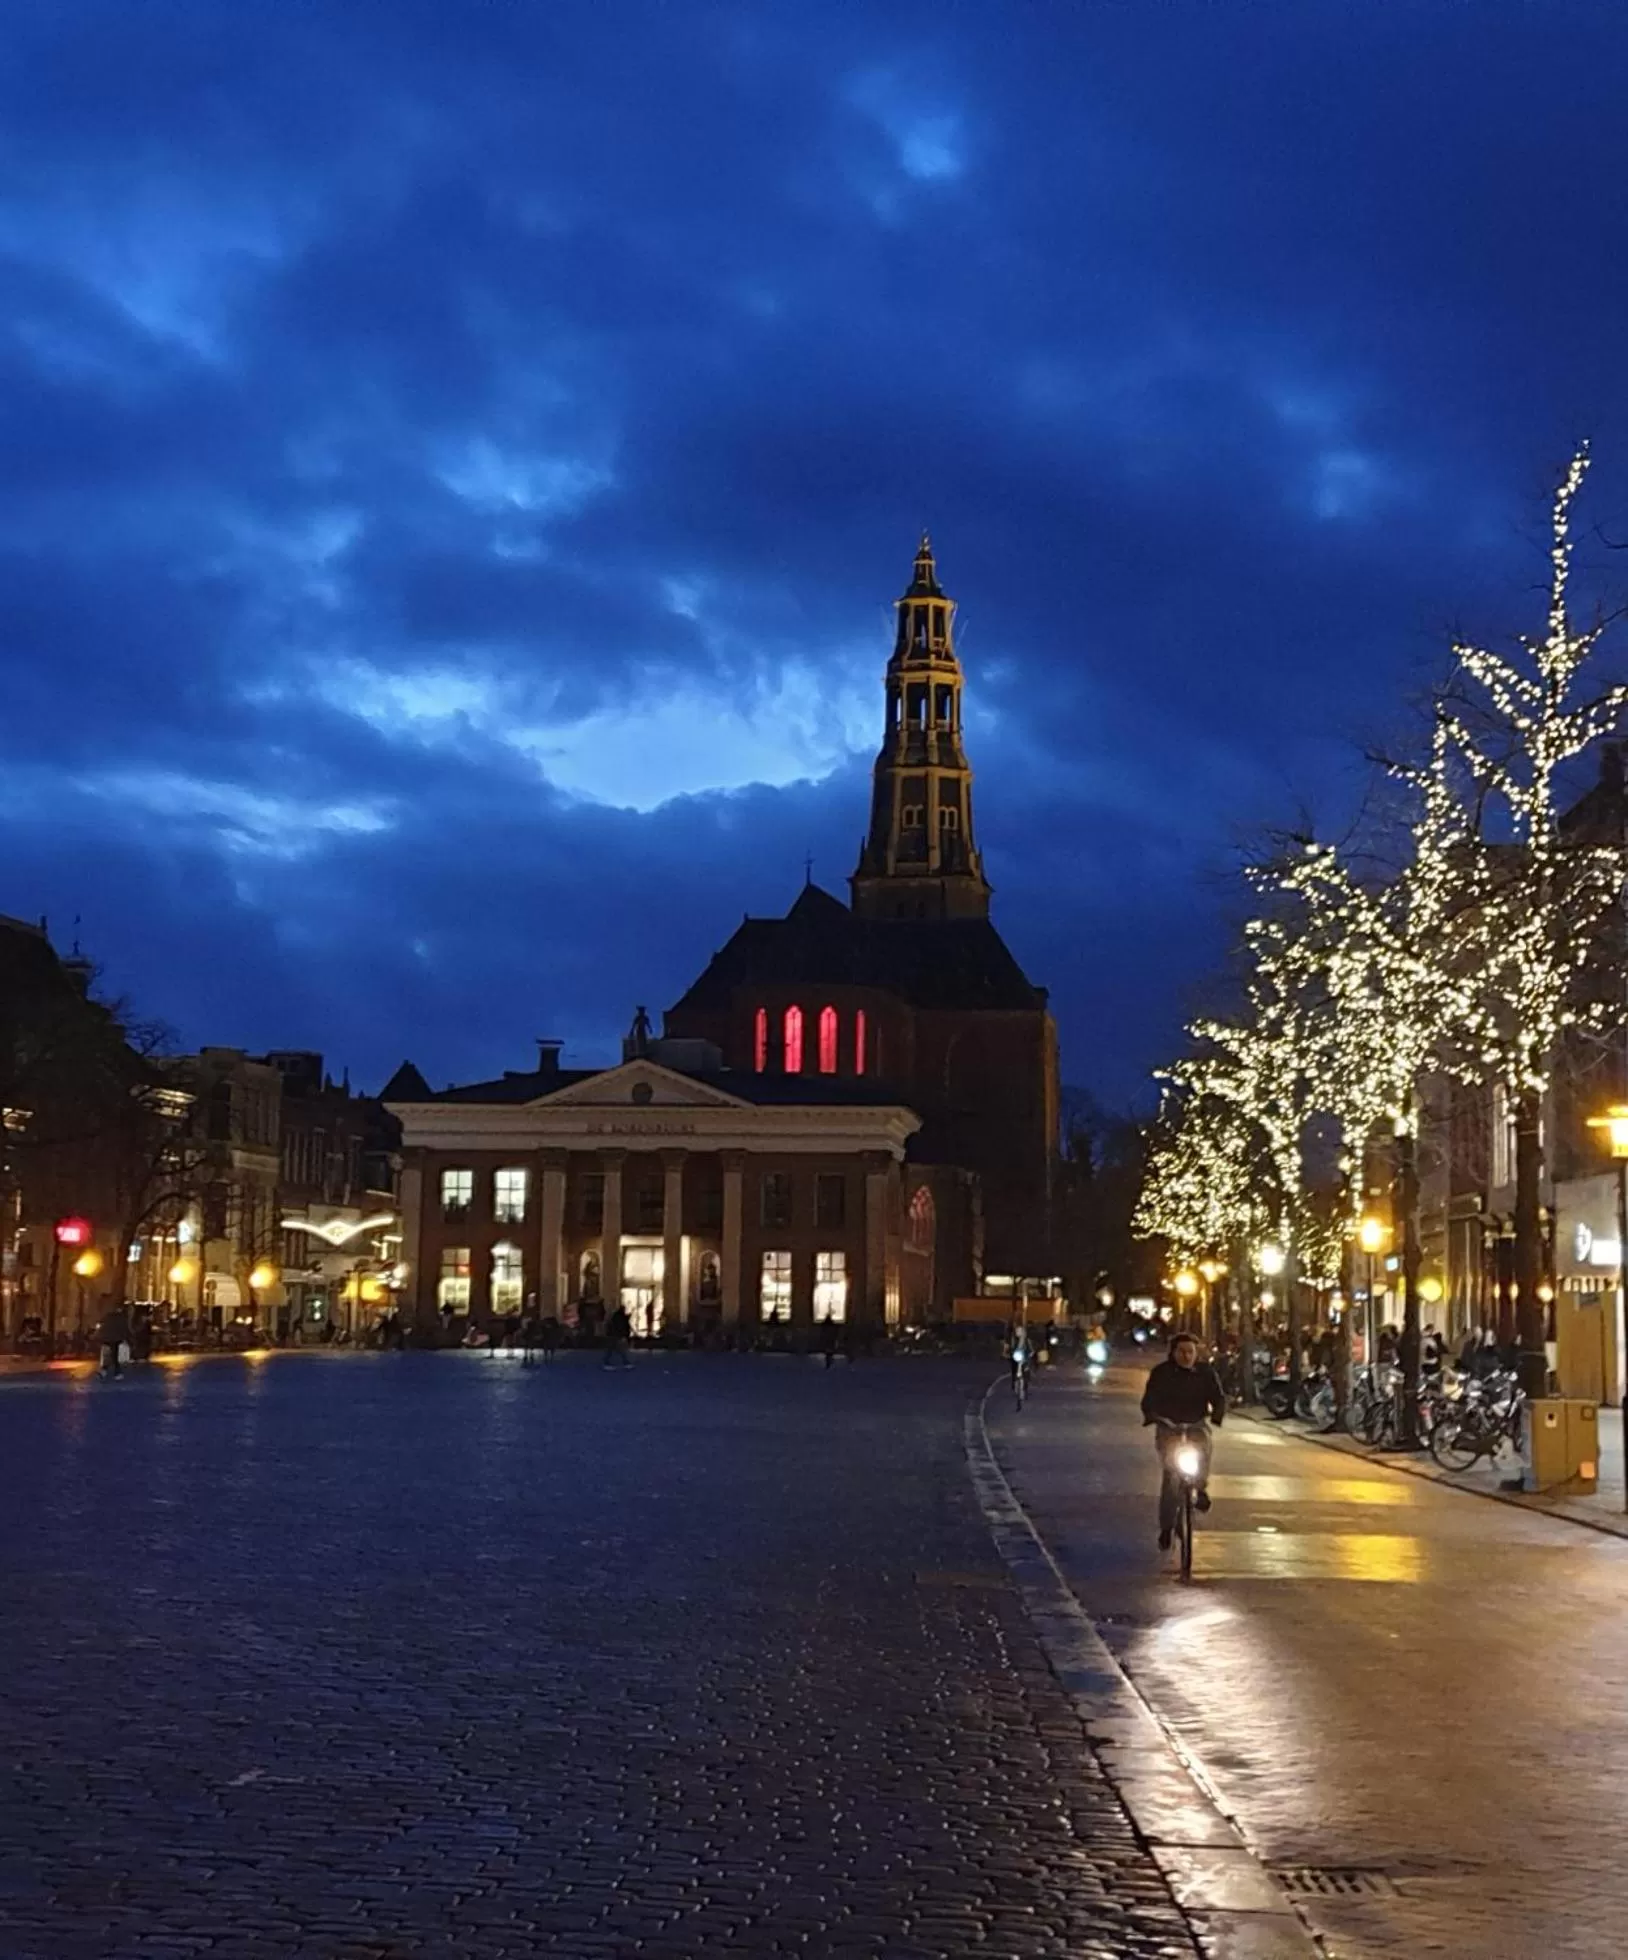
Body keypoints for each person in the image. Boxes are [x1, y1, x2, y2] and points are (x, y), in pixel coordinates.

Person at [1140, 1332, 1227, 1551]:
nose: (1186, 1356)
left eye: (1190, 1352)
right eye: (1181, 1352)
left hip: (1196, 1424)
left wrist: (1216, 1415)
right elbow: (1149, 1399)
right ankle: (1167, 1528)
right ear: (1173, 1353)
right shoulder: (1161, 1373)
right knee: (1171, 1478)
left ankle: (1201, 1487)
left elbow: (1218, 1397)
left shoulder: (1206, 1373)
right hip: (1169, 1427)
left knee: (1205, 1446)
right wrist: (1152, 1416)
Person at [98, 1302, 130, 1381]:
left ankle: (104, 1371)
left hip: (106, 1338)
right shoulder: (122, 1317)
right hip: (115, 1339)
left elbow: (101, 1323)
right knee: (114, 1356)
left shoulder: (109, 1316)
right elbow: (125, 1329)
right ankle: (117, 1373)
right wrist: (126, 1339)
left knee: (107, 1355)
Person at [604, 1303, 633, 1368]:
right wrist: (623, 1335)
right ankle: (625, 1363)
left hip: (613, 1335)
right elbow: (621, 1326)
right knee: (619, 1349)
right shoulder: (620, 1317)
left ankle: (607, 1362)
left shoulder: (616, 1316)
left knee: (613, 1349)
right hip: (616, 1335)